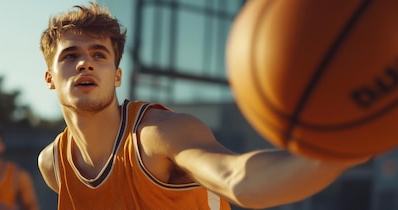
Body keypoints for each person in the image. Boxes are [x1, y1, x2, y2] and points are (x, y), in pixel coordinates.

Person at [36, 2, 369, 209]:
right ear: (50, 77)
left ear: (117, 75)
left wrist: (347, 144)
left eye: (99, 55)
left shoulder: (158, 136)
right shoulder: (54, 165)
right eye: (70, 56)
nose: (85, 64)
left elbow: (239, 178)